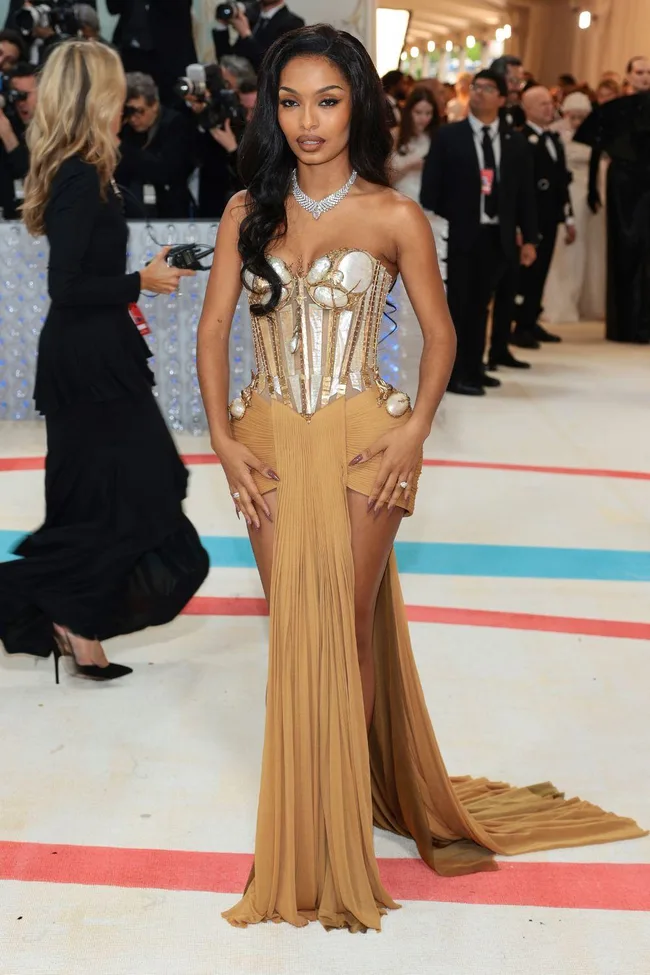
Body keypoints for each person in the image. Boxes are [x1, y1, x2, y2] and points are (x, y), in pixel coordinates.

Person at [196, 25, 646, 932]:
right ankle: (322, 802)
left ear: (357, 102)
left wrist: (415, 438)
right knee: (298, 624)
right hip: (268, 439)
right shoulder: (248, 207)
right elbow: (212, 332)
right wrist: (223, 440)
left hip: (369, 439)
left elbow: (441, 336)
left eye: (326, 100)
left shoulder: (393, 214)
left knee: (344, 619)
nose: (307, 120)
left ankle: (337, 814)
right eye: (289, 101)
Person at [0, 41, 209, 680]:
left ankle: (77, 620)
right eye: (115, 90)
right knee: (135, 491)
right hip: (85, 361)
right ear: (95, 95)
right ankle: (72, 617)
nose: (125, 103)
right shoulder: (75, 173)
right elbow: (66, 286)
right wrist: (139, 281)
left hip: (98, 354)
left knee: (122, 493)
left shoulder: (87, 166)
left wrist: (141, 276)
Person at [422, 70, 538, 394]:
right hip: (460, 235)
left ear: (502, 98)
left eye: (488, 89)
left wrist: (529, 238)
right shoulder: (449, 136)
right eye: (476, 87)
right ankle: (456, 375)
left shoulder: (515, 142)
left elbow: (525, 195)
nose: (480, 94)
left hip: (497, 236)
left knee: (481, 306)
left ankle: (475, 366)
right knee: (458, 306)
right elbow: (431, 191)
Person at [576, 79, 650, 343]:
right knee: (625, 252)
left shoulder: (618, 115)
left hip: (627, 184)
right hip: (623, 188)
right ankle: (627, 324)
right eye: (639, 73)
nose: (644, 78)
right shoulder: (617, 115)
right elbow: (597, 151)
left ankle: (635, 323)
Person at [509, 85, 575, 349]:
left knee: (542, 270)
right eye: (542, 104)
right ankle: (519, 324)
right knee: (527, 272)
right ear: (527, 110)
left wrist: (568, 218)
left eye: (551, 103)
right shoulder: (522, 139)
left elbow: (562, 182)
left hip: (550, 216)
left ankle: (531, 319)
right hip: (531, 218)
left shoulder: (554, 139)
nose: (550, 108)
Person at [542, 91, 605, 324]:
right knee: (568, 249)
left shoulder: (595, 135)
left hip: (588, 193)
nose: (577, 121)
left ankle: (587, 301)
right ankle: (560, 301)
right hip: (566, 193)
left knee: (591, 249)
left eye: (582, 117)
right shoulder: (556, 132)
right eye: (573, 116)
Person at [116, 72, 196, 219]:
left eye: (140, 111)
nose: (134, 118)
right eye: (129, 111)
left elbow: (168, 171)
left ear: (154, 104)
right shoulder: (124, 128)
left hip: (170, 211)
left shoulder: (176, 124)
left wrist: (124, 148)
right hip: (132, 209)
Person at [107, 0, 197, 106]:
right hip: (132, 49)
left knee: (174, 102)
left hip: (169, 51)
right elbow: (113, 7)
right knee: (132, 100)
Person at [213, 0, 304, 72]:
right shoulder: (252, 18)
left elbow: (270, 65)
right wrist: (222, 26)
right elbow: (226, 60)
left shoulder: (294, 23)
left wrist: (246, 34)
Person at [390, 87, 441, 201]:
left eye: (428, 113)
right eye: (418, 112)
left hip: (427, 199)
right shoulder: (395, 135)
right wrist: (410, 166)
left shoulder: (434, 136)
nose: (424, 118)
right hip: (398, 197)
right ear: (409, 111)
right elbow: (384, 178)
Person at [0, 62, 35, 219]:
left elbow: (34, 179)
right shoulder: (11, 122)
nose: (21, 103)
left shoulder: (58, 130)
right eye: (16, 96)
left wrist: (9, 138)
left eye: (25, 95)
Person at [490, 54, 525, 128]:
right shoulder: (485, 116)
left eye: (520, 81)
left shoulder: (519, 113)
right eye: (513, 81)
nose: (518, 88)